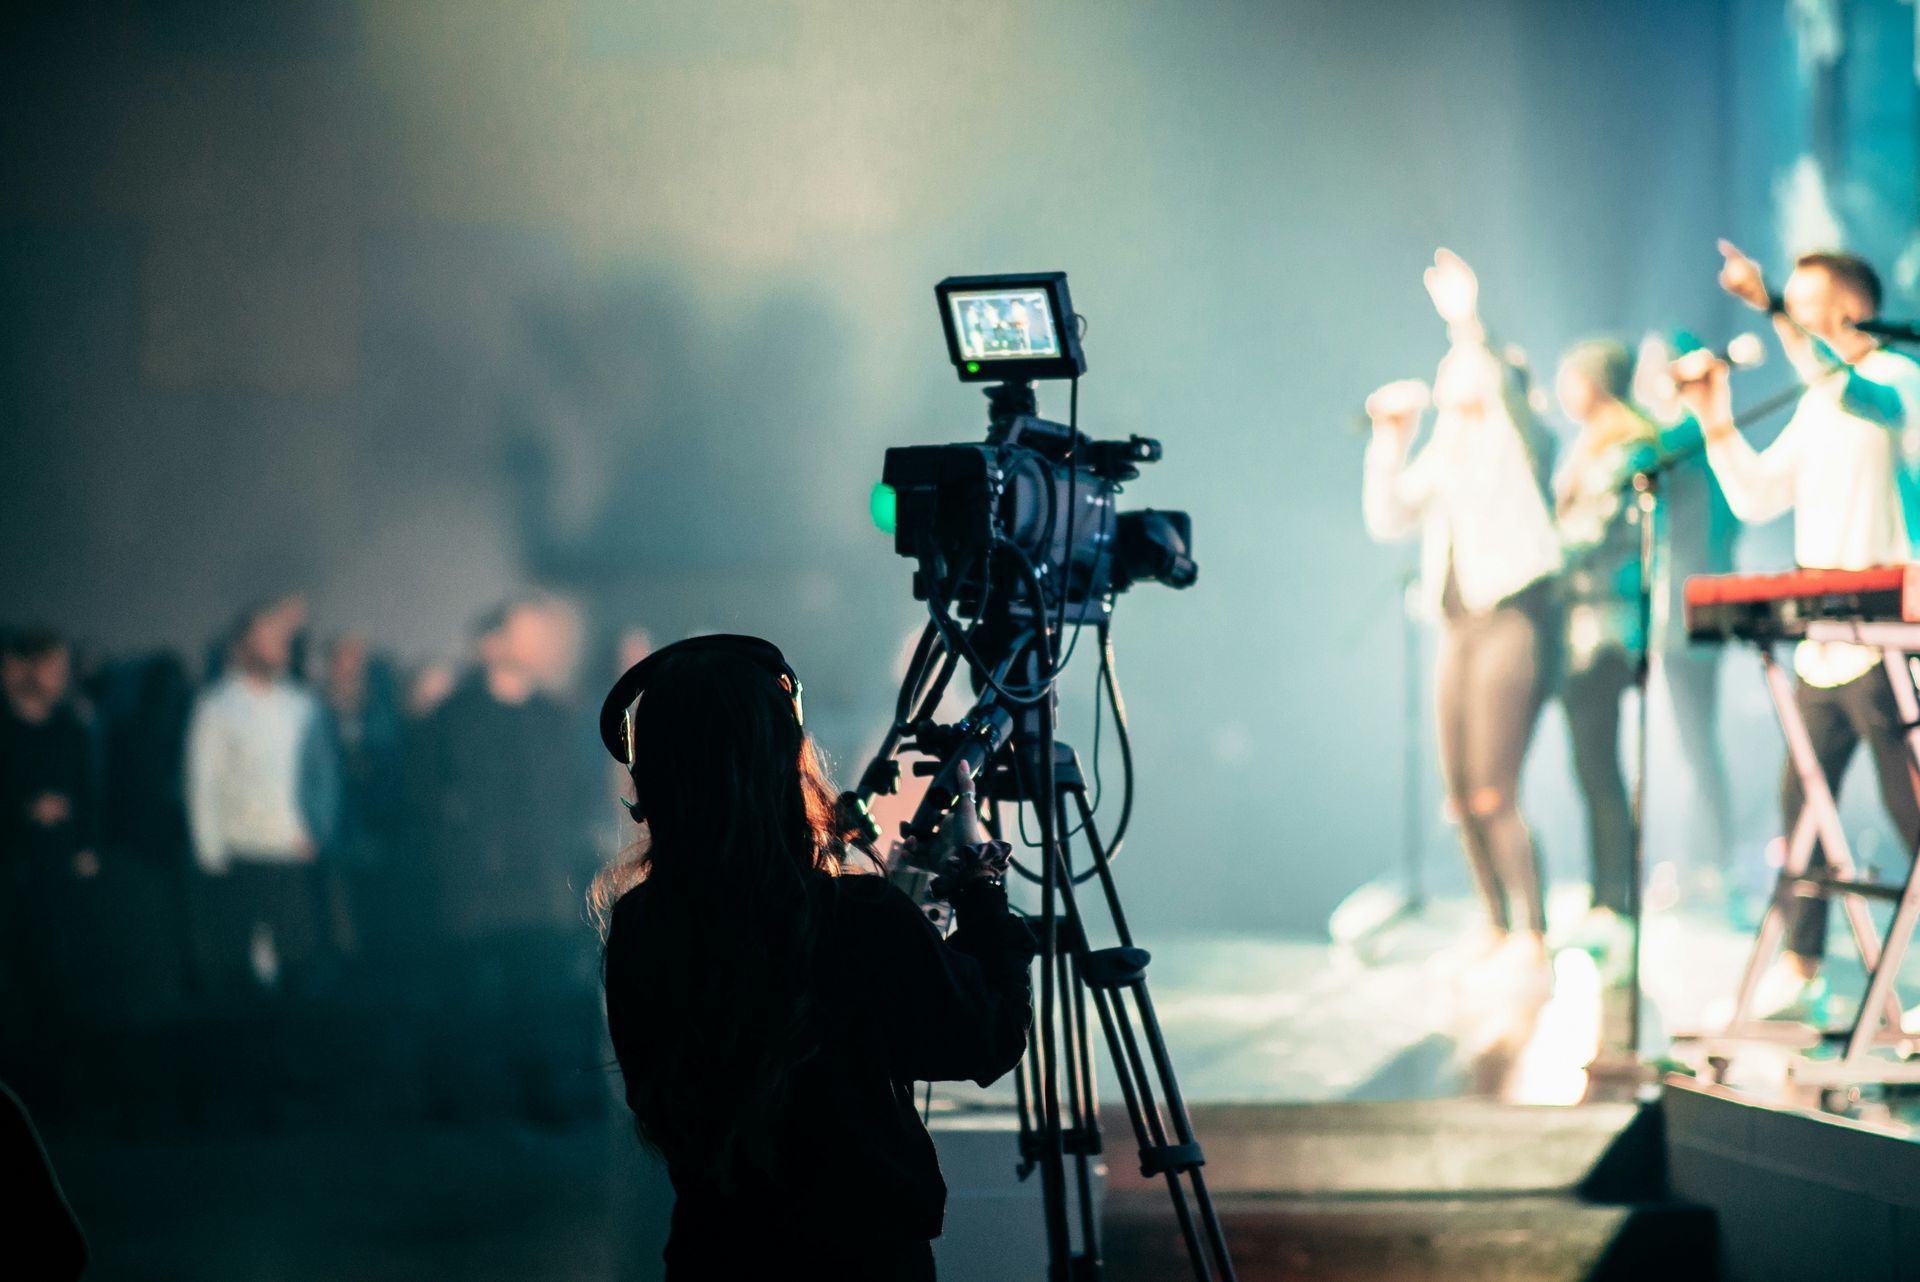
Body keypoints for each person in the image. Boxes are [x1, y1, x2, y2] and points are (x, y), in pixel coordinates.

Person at [595, 635, 1034, 1280]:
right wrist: (979, 881)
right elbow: (986, 1039)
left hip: (712, 1259)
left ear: (650, 773)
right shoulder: (858, 919)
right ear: (784, 757)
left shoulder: (639, 928)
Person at [1674, 242, 1920, 1017]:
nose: (1791, 315)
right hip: (1822, 641)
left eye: (1803, 303)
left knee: (1909, 811)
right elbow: (1754, 495)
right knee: (1802, 812)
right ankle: (1803, 964)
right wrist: (1712, 412)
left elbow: (1855, 393)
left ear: (1847, 310)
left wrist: (1766, 306)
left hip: (1892, 642)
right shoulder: (1818, 400)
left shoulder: (1895, 383)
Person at [1362, 249, 1563, 976]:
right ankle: (1494, 920)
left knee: (1493, 786)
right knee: (1457, 793)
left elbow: (1496, 379)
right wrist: (1391, 439)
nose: (1449, 398)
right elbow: (1389, 516)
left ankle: (1533, 931)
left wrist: (1465, 320)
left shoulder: (1513, 444)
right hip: (1456, 629)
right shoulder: (1446, 453)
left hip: (1509, 621)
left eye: (1459, 387)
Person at [408, 594, 601, 1120]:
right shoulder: (451, 719)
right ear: (491, 644)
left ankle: (543, 1101)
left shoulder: (553, 719)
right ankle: (470, 1108)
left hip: (541, 888)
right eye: (524, 632)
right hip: (475, 891)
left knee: (541, 996)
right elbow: (424, 799)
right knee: (470, 1002)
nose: (535, 644)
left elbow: (577, 798)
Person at [1551, 340, 1656, 973]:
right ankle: (1604, 898)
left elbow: (1594, 530)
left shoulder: (1628, 443)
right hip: (1581, 625)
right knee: (1590, 765)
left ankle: (1614, 903)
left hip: (1610, 628)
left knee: (1600, 764)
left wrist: (1535, 553)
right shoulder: (1590, 439)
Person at [185, 596, 340, 995]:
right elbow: (203, 781)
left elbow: (320, 775)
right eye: (269, 638)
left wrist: (316, 832)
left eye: (282, 639)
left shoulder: (300, 705)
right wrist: (210, 849)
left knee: (298, 956)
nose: (279, 646)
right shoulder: (217, 706)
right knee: (245, 961)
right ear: (245, 645)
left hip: (292, 847)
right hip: (241, 850)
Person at [1631, 332, 1739, 901]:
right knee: (1681, 740)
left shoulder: (1688, 433)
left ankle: (1709, 863)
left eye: (1657, 367)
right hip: (1673, 608)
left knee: (1694, 738)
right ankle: (1689, 861)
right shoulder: (1676, 435)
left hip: (1694, 610)